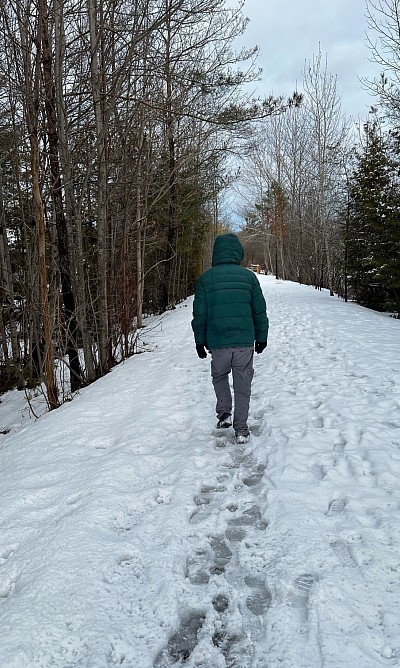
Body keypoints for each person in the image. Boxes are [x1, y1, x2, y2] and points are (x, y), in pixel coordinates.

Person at [191, 233, 268, 444]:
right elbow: (259, 310)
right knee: (243, 384)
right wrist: (262, 336)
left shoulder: (206, 278)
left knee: (219, 376)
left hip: (218, 342)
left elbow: (200, 313)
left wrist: (199, 340)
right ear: (237, 252)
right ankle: (241, 430)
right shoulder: (248, 277)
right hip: (244, 342)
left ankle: (224, 413)